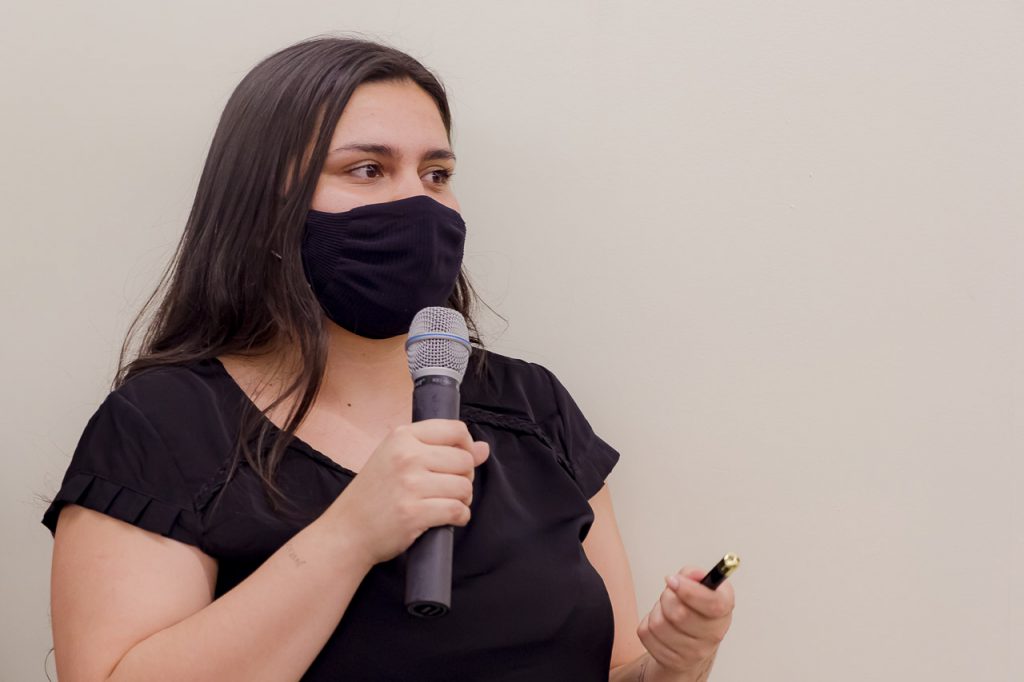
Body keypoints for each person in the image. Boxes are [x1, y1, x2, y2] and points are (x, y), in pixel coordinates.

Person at [41, 35, 735, 681]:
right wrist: (350, 535)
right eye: (367, 169)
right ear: (263, 202)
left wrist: (673, 665)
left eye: (436, 173)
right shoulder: (163, 426)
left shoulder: (532, 406)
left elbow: (610, 669)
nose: (416, 203)